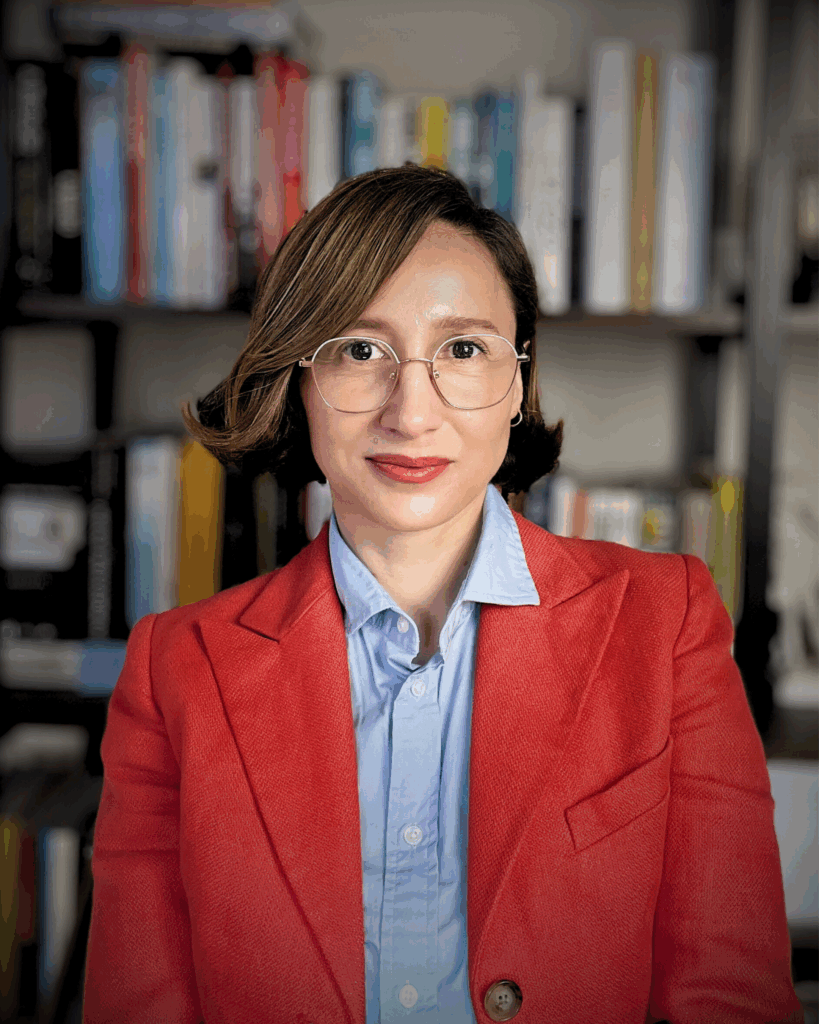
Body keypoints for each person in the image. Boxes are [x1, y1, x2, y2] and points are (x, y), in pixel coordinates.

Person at [82, 164, 804, 1024]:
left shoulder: (664, 621)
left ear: (518, 382)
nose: (411, 413)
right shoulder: (174, 669)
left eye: (463, 349)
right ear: (298, 382)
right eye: (359, 350)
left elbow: (731, 998)